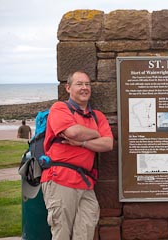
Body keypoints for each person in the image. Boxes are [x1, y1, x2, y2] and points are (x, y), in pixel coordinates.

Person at [40, 71, 114, 240]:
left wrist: (83, 143)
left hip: (85, 183)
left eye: (87, 84)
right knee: (62, 233)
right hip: (61, 179)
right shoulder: (59, 108)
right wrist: (97, 134)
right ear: (68, 88)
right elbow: (73, 132)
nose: (84, 88)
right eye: (79, 84)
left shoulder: (98, 116)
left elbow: (108, 144)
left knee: (86, 232)